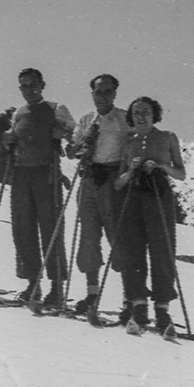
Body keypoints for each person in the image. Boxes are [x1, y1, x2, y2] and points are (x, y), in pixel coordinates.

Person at [2, 68, 76, 304]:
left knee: (50, 228)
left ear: (42, 85)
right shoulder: (19, 113)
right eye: (24, 85)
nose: (29, 89)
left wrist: (62, 131)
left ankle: (56, 288)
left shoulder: (56, 108)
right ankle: (32, 283)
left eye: (33, 84)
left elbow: (74, 134)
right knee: (22, 229)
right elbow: (12, 136)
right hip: (21, 173)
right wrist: (7, 138)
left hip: (47, 172)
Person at [113, 96, 186, 332]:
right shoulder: (128, 142)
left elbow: (181, 174)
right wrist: (131, 171)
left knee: (162, 249)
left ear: (155, 114)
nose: (141, 117)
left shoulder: (167, 138)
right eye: (136, 113)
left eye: (145, 112)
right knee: (132, 249)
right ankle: (139, 305)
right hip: (133, 196)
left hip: (158, 194)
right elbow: (118, 183)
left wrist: (161, 166)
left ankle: (162, 309)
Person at [68, 74, 132, 315]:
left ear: (115, 93)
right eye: (98, 92)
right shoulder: (86, 119)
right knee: (88, 235)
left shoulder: (124, 118)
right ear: (92, 94)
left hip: (113, 179)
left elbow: (133, 146)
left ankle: (129, 298)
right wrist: (84, 142)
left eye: (107, 91)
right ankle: (92, 294)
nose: (102, 96)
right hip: (89, 177)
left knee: (118, 236)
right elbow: (71, 151)